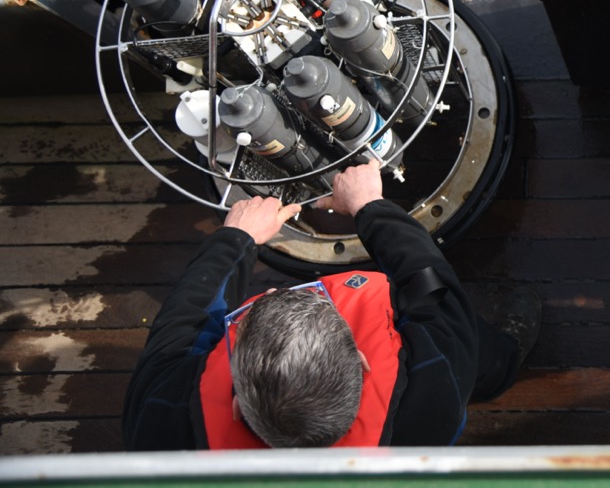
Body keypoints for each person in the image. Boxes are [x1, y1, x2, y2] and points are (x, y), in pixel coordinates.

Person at [122, 160, 540, 449]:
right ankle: (502, 368)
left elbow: (181, 326)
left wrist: (237, 238)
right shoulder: (436, 389)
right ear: (360, 359)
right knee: (474, 349)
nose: (268, 293)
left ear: (236, 401)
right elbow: (433, 288)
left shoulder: (159, 424)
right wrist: (369, 207)